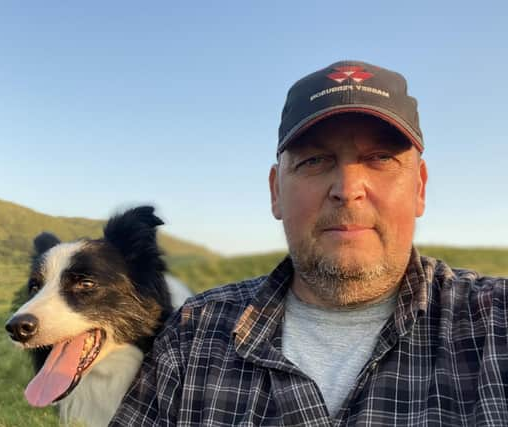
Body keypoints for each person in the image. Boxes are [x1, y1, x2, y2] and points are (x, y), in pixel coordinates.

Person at [109, 60, 508, 426]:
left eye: (381, 158)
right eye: (314, 160)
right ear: (275, 192)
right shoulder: (192, 338)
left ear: (419, 188)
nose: (348, 189)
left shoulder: (496, 327)